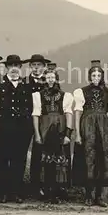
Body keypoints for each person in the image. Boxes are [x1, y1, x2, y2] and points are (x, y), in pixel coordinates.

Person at [72, 60, 108, 207]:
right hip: (87, 127)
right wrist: (77, 133)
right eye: (93, 75)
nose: (96, 77)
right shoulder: (82, 92)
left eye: (98, 75)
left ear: (102, 76)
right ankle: (88, 196)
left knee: (102, 160)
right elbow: (78, 112)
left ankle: (99, 197)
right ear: (90, 76)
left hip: (104, 130)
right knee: (88, 159)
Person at [32, 63, 74, 204]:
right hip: (45, 128)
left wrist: (68, 133)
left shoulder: (65, 96)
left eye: (52, 77)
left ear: (56, 79)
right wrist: (37, 134)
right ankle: (46, 190)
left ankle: (59, 190)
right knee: (45, 159)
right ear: (45, 79)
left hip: (60, 128)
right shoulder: (38, 95)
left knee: (60, 159)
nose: (50, 80)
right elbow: (36, 115)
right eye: (48, 77)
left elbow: (68, 114)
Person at [0, 55, 33, 203]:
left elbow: (31, 107)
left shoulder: (26, 86)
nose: (14, 68)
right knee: (3, 159)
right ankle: (2, 192)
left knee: (19, 160)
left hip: (22, 129)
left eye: (17, 65)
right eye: (11, 66)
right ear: (7, 68)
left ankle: (16, 192)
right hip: (4, 127)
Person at [24, 54, 50, 199]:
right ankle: (24, 186)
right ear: (30, 67)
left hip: (44, 122)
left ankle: (41, 186)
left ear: (44, 67)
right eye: (33, 65)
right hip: (27, 120)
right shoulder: (24, 82)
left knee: (41, 153)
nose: (36, 67)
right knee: (22, 152)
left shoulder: (49, 81)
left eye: (39, 65)